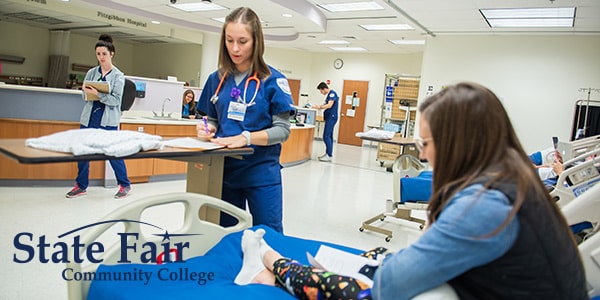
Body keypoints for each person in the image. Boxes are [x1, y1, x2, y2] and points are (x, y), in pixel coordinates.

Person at [235, 82, 588, 300]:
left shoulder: (482, 207)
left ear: (457, 143)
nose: (420, 153)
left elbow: (389, 287)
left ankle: (270, 261)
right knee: (376, 253)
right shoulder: (514, 177)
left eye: (424, 142)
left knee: (359, 286)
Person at [196, 7, 295, 233]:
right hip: (224, 171)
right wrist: (207, 129)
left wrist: (246, 137)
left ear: (256, 41)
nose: (235, 48)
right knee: (227, 236)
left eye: (243, 41)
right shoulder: (217, 78)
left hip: (260, 172)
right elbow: (210, 118)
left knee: (269, 236)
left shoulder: (272, 80)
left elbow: (283, 130)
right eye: (229, 40)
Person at [66, 34, 131, 199]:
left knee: (112, 154)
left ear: (111, 54)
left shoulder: (118, 76)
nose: (101, 57)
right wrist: (88, 93)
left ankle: (124, 185)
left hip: (107, 120)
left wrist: (99, 95)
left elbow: (116, 100)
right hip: (89, 118)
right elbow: (83, 96)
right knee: (82, 153)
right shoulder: (91, 73)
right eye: (98, 54)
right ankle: (81, 186)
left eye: (104, 54)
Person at [313, 82, 339, 162]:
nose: (321, 93)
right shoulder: (329, 95)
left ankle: (329, 155)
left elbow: (329, 105)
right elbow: (327, 105)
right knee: (329, 136)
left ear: (324, 89)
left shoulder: (332, 94)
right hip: (329, 117)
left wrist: (320, 107)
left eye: (321, 91)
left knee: (326, 136)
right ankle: (328, 154)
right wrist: (320, 107)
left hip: (332, 117)